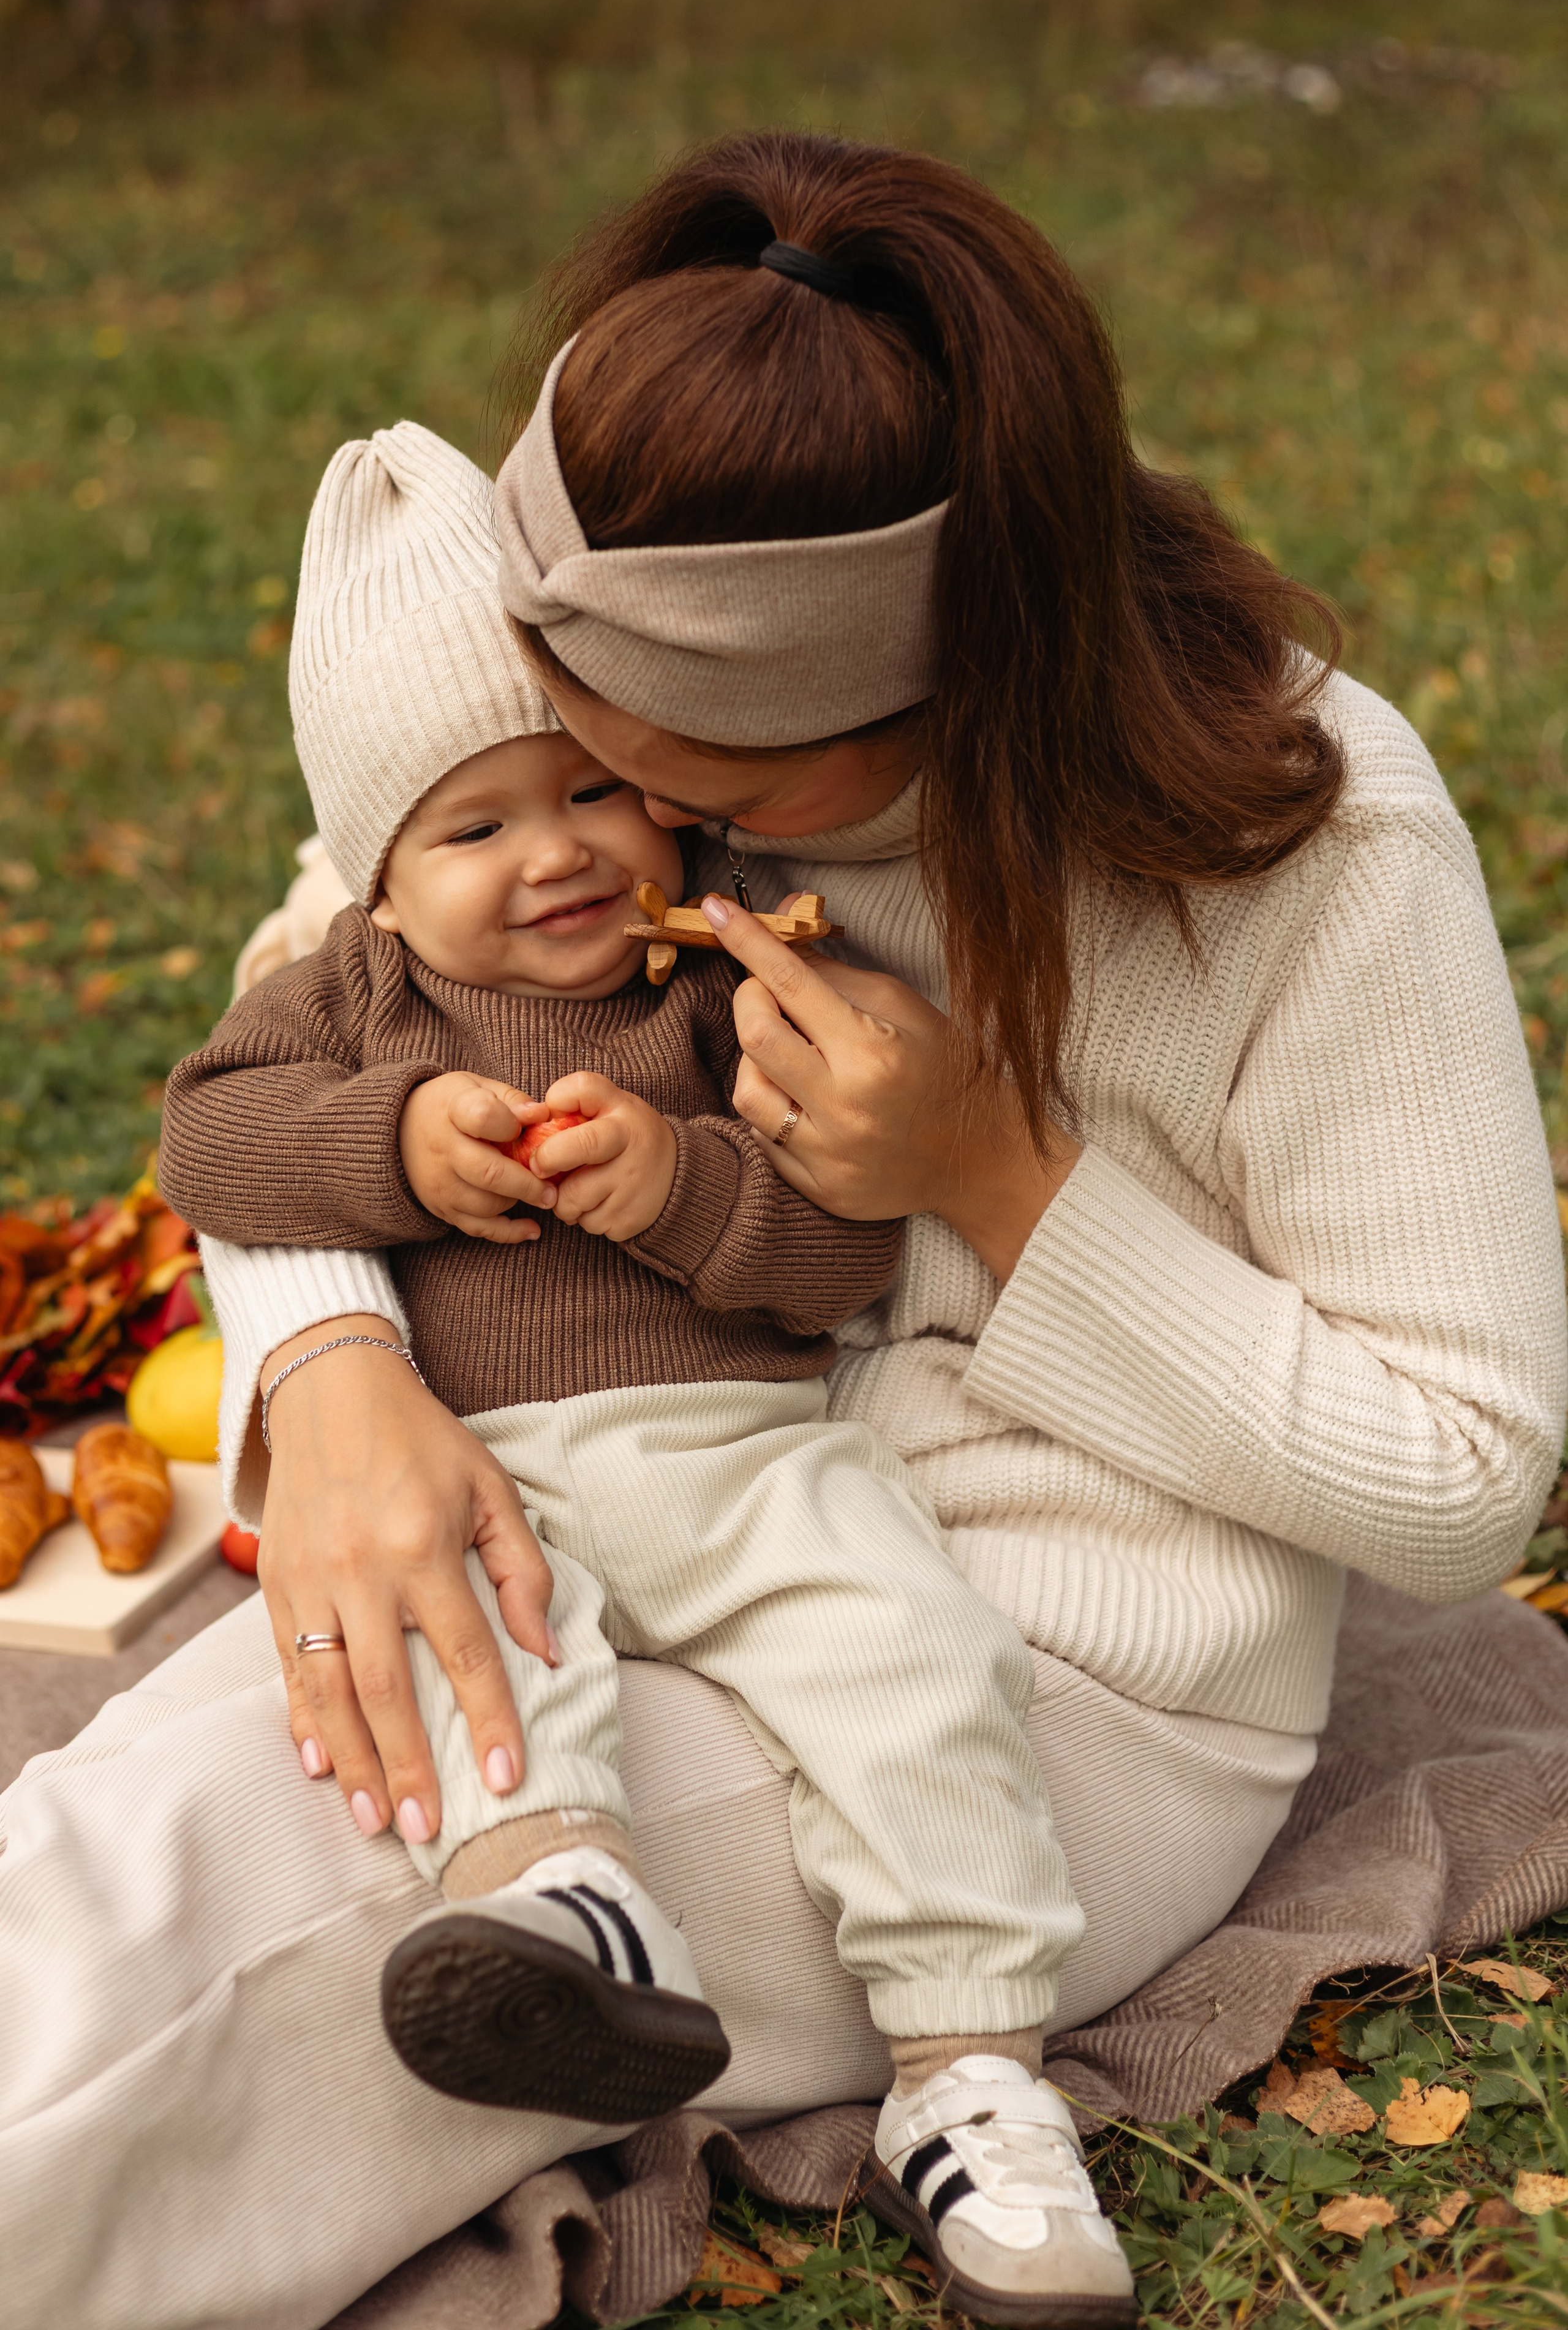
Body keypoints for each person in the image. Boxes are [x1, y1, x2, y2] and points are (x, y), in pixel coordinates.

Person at [2, 130, 1562, 2330]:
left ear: (942, 682)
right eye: (560, 717)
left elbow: (1462, 1474)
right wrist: (334, 1376)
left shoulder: (1313, 847)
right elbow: (323, 983)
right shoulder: (613, 696)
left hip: (1037, 1672)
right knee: (113, 1843)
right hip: (590, 1483)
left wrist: (996, 1187)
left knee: (276, 1933)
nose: (609, 799)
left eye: (680, 757)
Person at [154, 418, 1133, 2318]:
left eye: (593, 790)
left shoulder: (728, 983)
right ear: (376, 868)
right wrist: (396, 1135)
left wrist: (687, 1184)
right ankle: (559, 1908)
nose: (555, 855)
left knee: (916, 1660)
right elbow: (214, 1139)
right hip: (486, 1467)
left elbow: (838, 1252)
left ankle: (975, 2070)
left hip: (742, 1447)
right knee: (456, 1654)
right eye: (476, 824)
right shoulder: (358, 997)